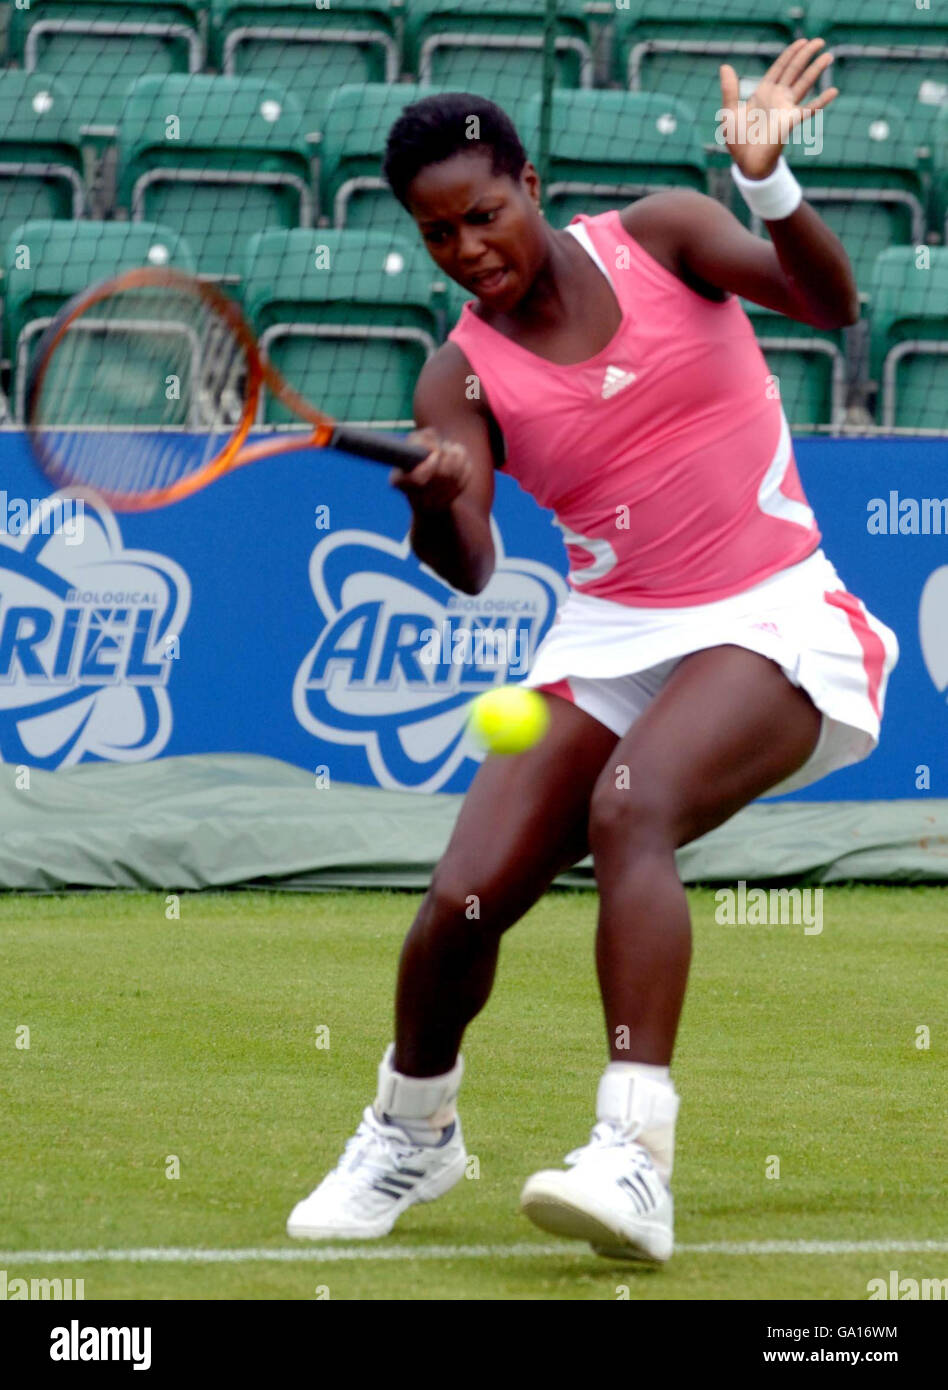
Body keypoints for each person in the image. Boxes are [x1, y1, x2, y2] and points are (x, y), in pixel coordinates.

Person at [286, 39, 898, 1262]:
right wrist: (433, 488)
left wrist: (769, 185)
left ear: (527, 181)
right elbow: (464, 561)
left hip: (772, 609)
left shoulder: (666, 232)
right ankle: (414, 1131)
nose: (470, 249)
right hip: (613, 634)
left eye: (484, 213)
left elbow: (832, 305)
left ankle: (633, 1150)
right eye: (438, 235)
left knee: (634, 805)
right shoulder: (458, 376)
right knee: (459, 902)